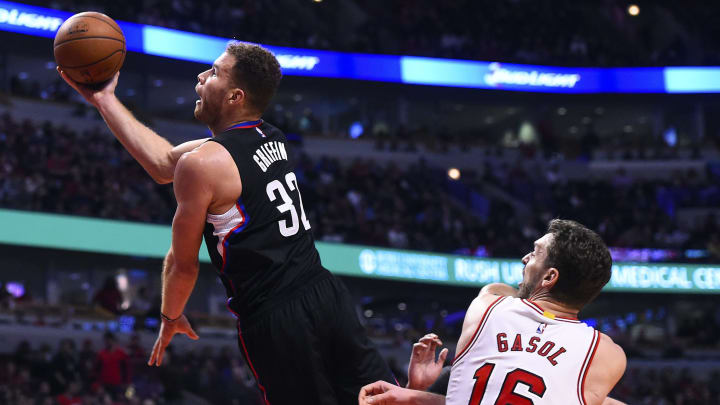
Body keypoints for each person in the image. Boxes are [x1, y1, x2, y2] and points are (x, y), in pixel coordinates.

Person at [58, 41, 395, 404]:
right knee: (385, 397)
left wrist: (170, 316)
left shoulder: (203, 164)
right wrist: (104, 99)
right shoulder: (271, 136)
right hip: (326, 292)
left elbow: (182, 265)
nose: (201, 78)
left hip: (276, 316)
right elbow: (161, 163)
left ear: (235, 96)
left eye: (214, 72)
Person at [359, 219, 627, 405]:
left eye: (535, 253)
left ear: (549, 277)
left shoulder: (490, 304)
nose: (525, 258)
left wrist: (416, 394)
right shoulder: (605, 354)